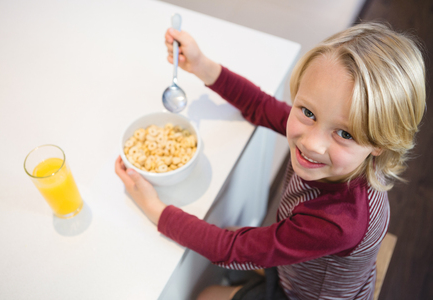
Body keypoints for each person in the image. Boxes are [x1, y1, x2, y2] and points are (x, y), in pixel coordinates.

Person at [115, 22, 426, 300]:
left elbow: (231, 249)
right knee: (234, 230)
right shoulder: (342, 150)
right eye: (307, 112)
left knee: (208, 294)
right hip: (315, 271)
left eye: (344, 133)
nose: (312, 143)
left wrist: (155, 209)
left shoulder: (337, 222)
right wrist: (202, 66)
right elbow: (262, 106)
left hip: (307, 294)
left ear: (380, 146)